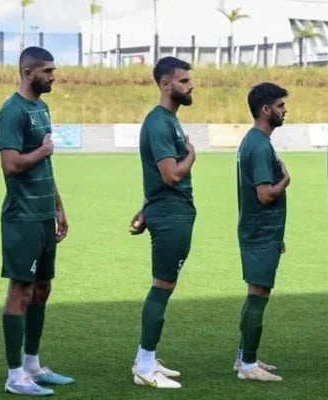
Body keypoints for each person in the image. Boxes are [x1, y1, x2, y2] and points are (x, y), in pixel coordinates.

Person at [0, 46, 72, 397]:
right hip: (21, 217)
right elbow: (11, 165)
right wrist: (42, 150)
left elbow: (45, 164)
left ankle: (32, 365)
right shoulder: (11, 112)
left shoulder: (42, 108)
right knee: (20, 291)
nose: (53, 76)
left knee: (42, 289)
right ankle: (14, 376)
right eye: (48, 71)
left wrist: (58, 206)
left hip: (43, 215)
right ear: (28, 72)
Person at [128, 56, 196, 389]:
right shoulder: (159, 122)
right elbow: (170, 175)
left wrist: (145, 208)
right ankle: (144, 366)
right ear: (166, 85)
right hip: (170, 214)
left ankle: (147, 358)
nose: (190, 85)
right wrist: (191, 156)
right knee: (161, 287)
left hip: (169, 210)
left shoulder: (169, 120)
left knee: (164, 286)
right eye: (184, 81)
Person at [233, 82, 289, 382]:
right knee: (258, 295)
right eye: (280, 106)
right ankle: (248, 365)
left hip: (262, 232)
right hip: (259, 233)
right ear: (266, 109)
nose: (285, 110)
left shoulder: (255, 141)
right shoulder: (258, 144)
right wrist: (285, 181)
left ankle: (244, 356)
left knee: (255, 294)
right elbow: (265, 194)